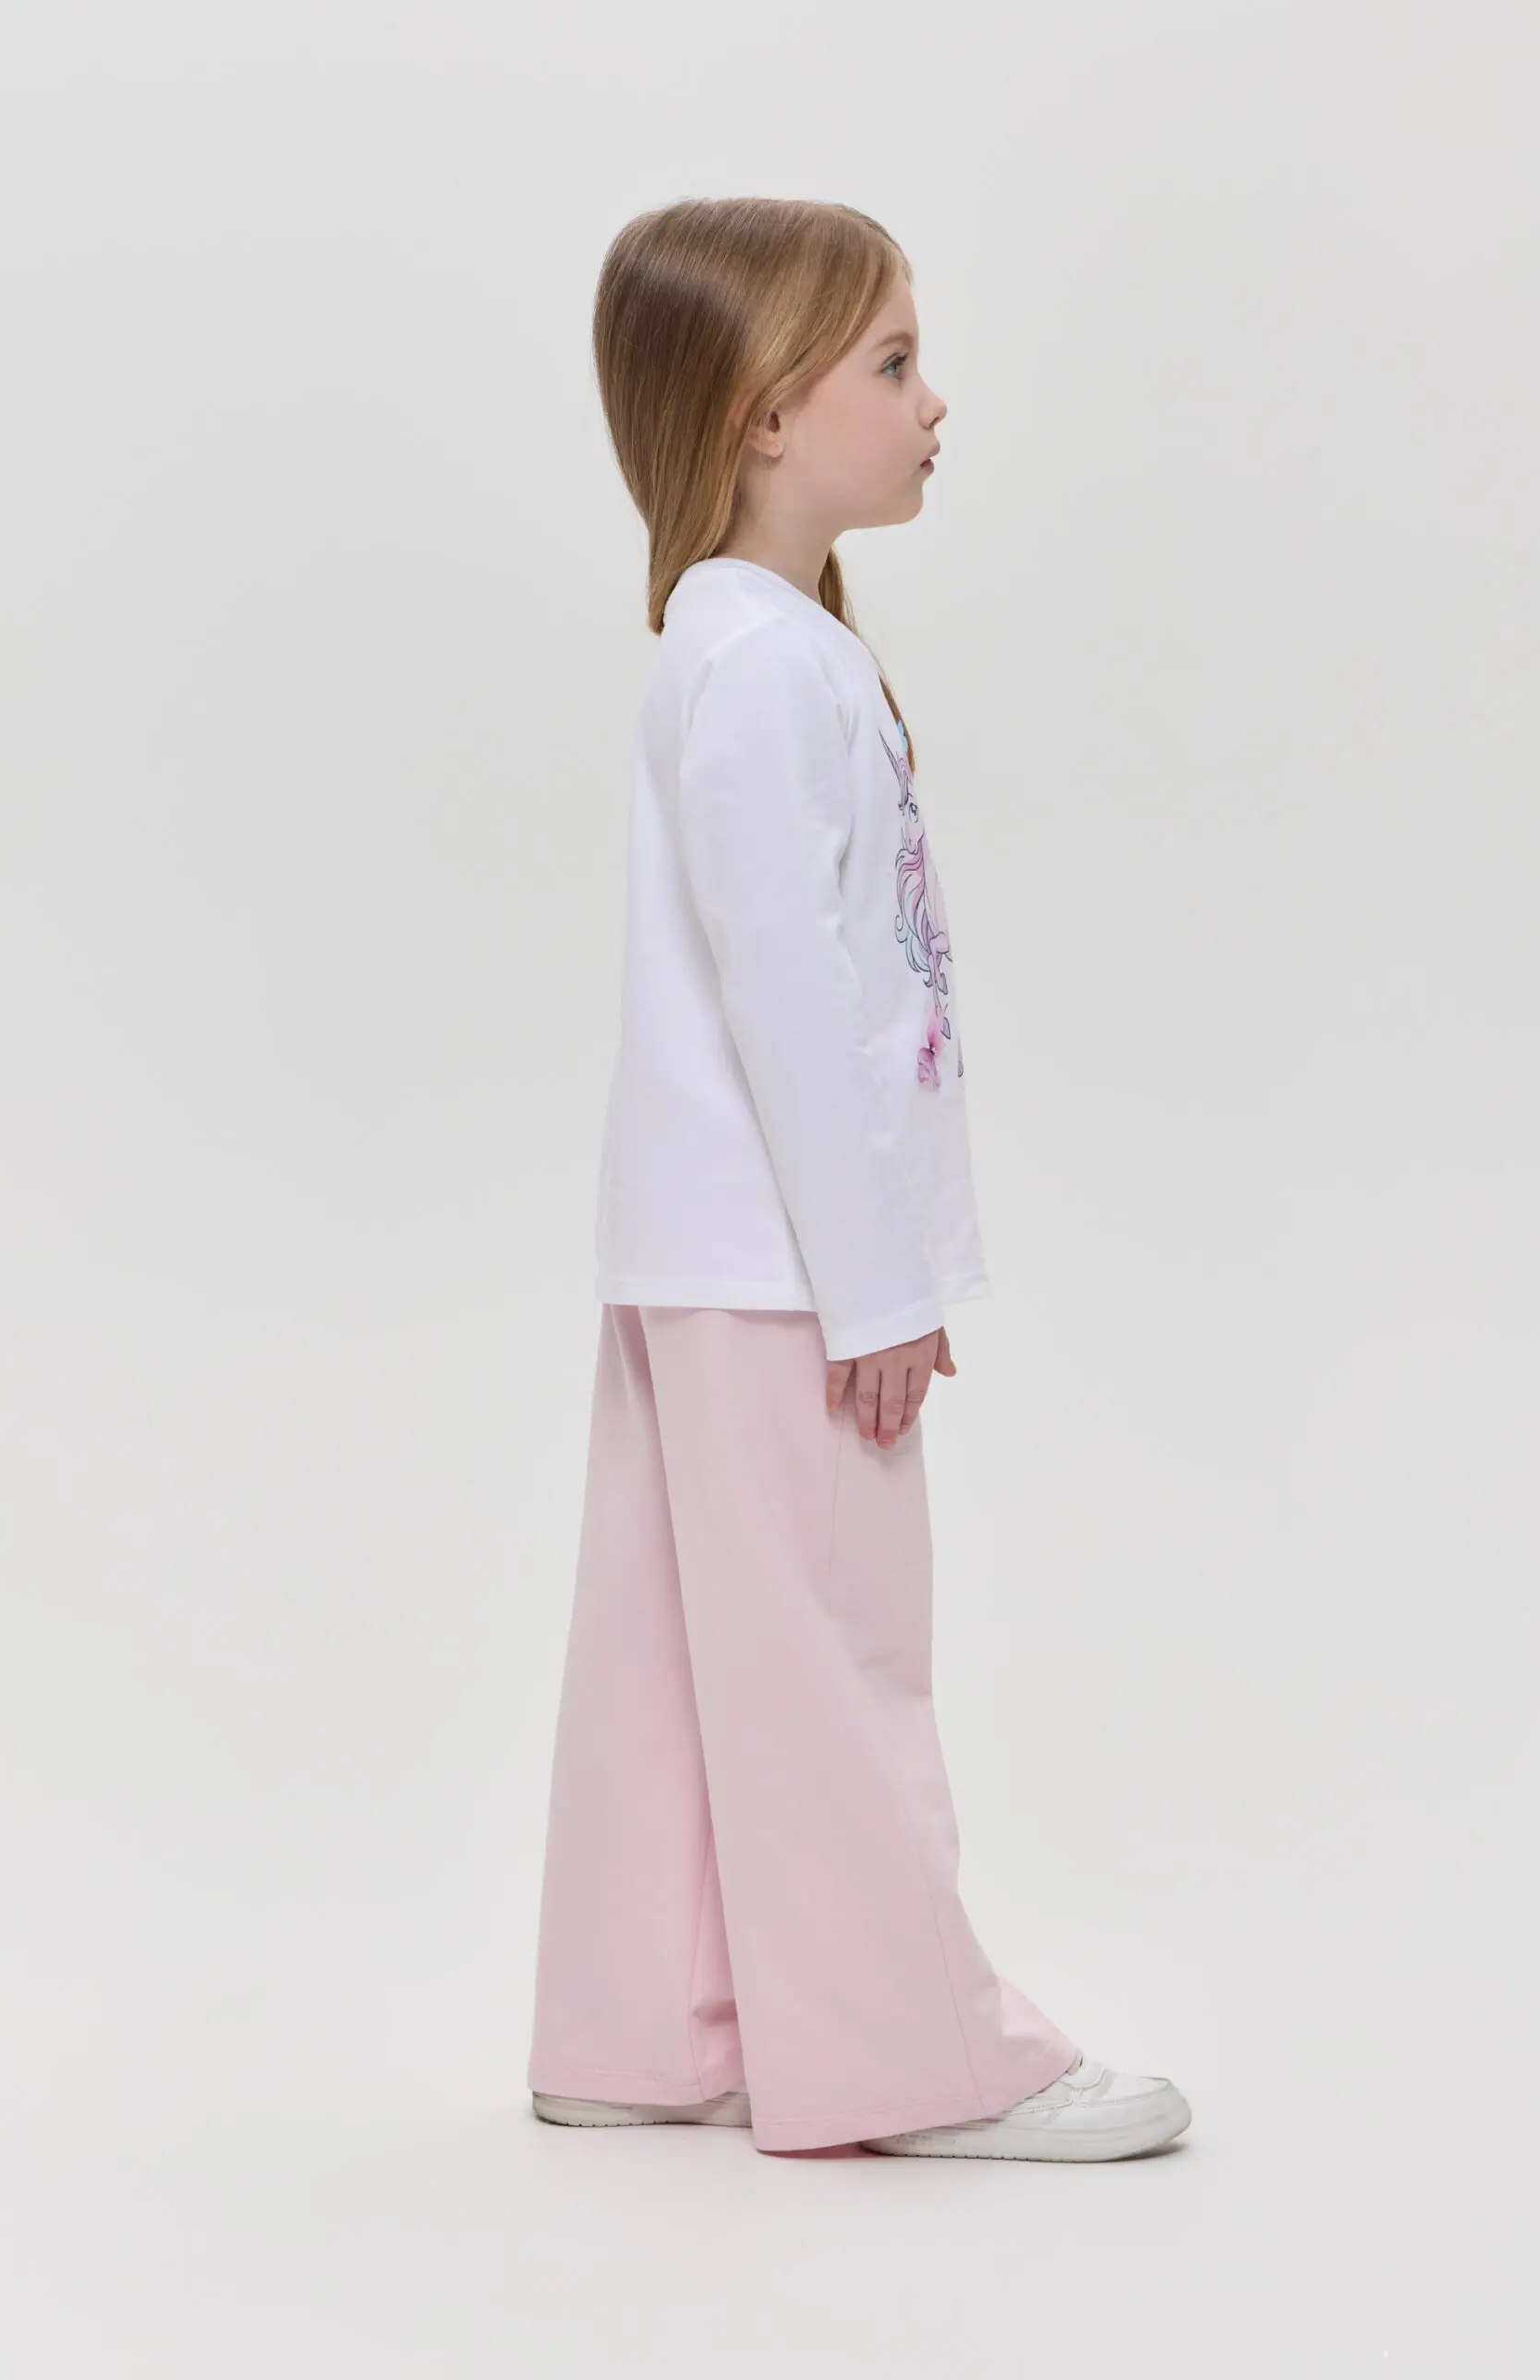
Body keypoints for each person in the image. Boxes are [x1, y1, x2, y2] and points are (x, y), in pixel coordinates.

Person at [524, 195, 1191, 2162]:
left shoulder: (749, 647)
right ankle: (915, 2055)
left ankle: (643, 2025)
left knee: (672, 1643)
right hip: (776, 1268)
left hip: (703, 1254)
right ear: (758, 413)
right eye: (892, 364)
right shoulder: (762, 669)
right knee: (834, 1651)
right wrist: (876, 1286)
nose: (933, 402)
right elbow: (793, 998)